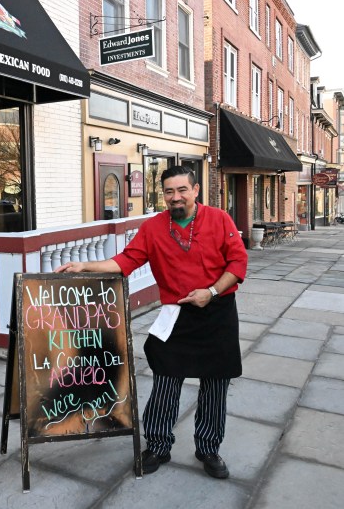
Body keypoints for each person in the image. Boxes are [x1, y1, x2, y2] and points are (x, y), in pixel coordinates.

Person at [55, 165, 247, 479]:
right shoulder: (154, 227)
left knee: (215, 384)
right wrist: (84, 265)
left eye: (182, 190)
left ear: (195, 190)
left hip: (218, 313)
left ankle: (209, 448)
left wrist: (211, 292)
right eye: (169, 191)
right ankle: (158, 445)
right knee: (166, 380)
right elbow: (125, 261)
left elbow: (238, 262)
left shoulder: (219, 219)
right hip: (176, 316)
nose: (175, 197)